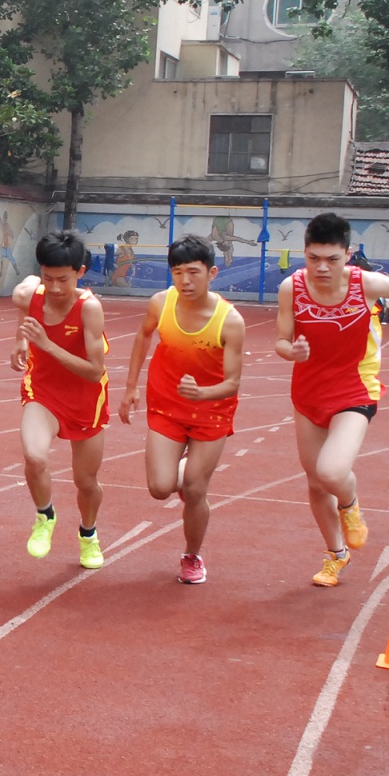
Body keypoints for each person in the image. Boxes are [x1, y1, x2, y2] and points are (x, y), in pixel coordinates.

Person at [276, 212, 389, 587]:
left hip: (354, 391)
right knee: (315, 483)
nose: (322, 268)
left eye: (332, 259)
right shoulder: (291, 289)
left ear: (347, 254)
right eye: (313, 259)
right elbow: (281, 340)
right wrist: (290, 350)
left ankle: (350, 503)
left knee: (331, 473)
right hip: (308, 395)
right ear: (305, 254)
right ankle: (336, 555)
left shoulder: (367, 284)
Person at [118, 234, 245, 584]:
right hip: (167, 406)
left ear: (212, 272)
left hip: (212, 411)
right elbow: (143, 336)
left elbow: (233, 382)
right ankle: (187, 465)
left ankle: (192, 556)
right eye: (177, 273)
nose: (185, 281)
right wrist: (130, 388)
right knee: (160, 487)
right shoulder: (160, 304)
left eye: (193, 272)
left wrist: (203, 393)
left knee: (194, 489)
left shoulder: (229, 321)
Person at [12, 230, 110, 569]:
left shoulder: (89, 309)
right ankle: (45, 516)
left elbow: (95, 372)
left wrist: (47, 344)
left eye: (63, 280)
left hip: (86, 399)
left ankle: (88, 535)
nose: (54, 288)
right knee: (34, 456)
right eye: (47, 277)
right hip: (43, 392)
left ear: (80, 272)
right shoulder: (29, 294)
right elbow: (23, 301)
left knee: (86, 482)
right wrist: (21, 341)